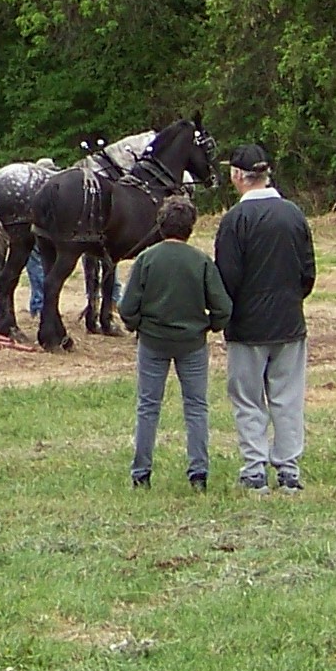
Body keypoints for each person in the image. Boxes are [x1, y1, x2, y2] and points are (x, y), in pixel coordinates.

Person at [212, 143, 315, 492]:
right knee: (287, 397)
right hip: (289, 322)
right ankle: (289, 470)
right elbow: (307, 274)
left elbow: (227, 278)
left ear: (238, 176)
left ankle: (254, 468)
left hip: (247, 326)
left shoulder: (234, 221)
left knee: (247, 398)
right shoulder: (294, 215)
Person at [119, 195, 229, 491]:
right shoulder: (201, 261)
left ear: (160, 225)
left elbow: (127, 307)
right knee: (196, 407)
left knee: (148, 406)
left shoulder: (147, 259)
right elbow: (223, 307)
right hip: (192, 342)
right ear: (191, 227)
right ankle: (198, 474)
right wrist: (209, 326)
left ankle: (141, 473)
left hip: (153, 341)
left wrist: (138, 326)